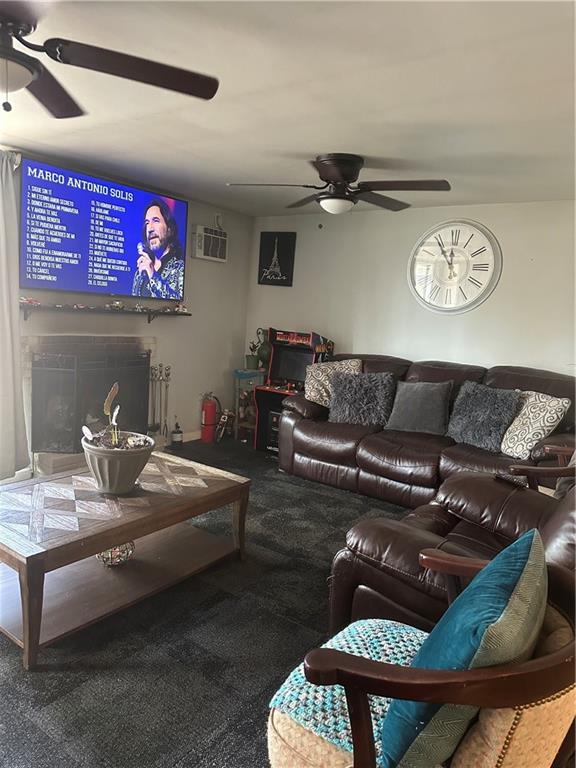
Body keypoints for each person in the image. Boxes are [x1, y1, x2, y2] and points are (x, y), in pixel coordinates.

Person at [132, 198, 184, 299]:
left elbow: (178, 303)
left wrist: (153, 275)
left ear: (169, 229)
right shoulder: (141, 272)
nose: (150, 229)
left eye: (156, 221)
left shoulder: (179, 267)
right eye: (147, 223)